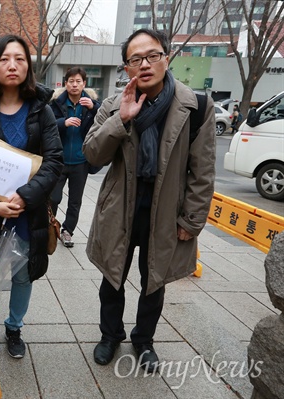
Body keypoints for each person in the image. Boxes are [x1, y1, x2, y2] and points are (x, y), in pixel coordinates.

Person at [83, 28, 215, 372]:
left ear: (166, 58)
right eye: (135, 59)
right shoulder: (113, 105)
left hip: (166, 209)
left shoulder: (196, 106)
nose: (145, 64)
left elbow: (202, 171)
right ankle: (110, 335)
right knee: (112, 277)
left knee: (153, 281)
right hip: (120, 207)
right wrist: (121, 119)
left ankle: (144, 340)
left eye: (152, 55)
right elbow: (92, 156)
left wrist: (191, 221)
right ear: (126, 67)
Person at [0, 35, 63, 359]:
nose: (12, 65)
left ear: (28, 67)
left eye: (20, 59)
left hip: (27, 212)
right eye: (5, 58)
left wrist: (23, 197)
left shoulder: (42, 110)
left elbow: (54, 162)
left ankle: (14, 327)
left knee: (23, 274)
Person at [49, 67, 100, 248]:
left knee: (75, 200)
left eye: (78, 81)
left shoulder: (91, 104)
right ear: (66, 83)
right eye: (71, 81)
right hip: (59, 160)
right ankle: (50, 227)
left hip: (81, 161)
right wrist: (64, 122)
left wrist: (93, 108)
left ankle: (67, 231)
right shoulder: (56, 103)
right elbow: (47, 124)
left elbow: (104, 119)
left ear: (84, 84)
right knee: (53, 197)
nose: (75, 84)